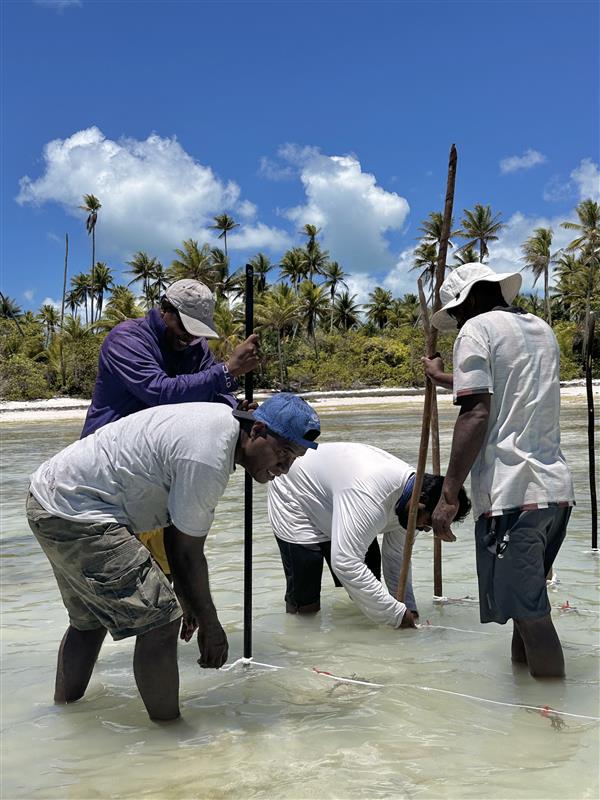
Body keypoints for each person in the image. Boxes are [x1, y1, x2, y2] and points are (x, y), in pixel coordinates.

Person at [26, 394, 321, 721]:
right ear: (257, 431)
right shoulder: (209, 456)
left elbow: (173, 527)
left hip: (50, 500)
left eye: (294, 459)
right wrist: (211, 625)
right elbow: (187, 552)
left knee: (90, 621)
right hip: (80, 511)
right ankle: (170, 738)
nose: (285, 468)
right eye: (283, 454)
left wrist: (186, 595)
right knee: (162, 620)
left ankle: (62, 717)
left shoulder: (218, 424)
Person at [423, 262, 575, 678]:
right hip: (554, 492)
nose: (455, 324)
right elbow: (506, 385)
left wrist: (449, 494)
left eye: (454, 314)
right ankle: (524, 704)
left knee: (531, 617)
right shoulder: (540, 328)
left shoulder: (476, 329)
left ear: (470, 300)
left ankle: (551, 721)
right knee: (523, 604)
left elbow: (476, 412)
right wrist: (442, 378)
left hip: (513, 493)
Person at [81, 278, 260, 571]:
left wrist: (236, 410)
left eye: (197, 331)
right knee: (119, 584)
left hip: (158, 478)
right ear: (165, 310)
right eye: (185, 328)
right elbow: (160, 393)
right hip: (111, 477)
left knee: (167, 580)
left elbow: (216, 395)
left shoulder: (196, 347)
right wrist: (227, 370)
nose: (190, 337)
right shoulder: (127, 339)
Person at [267, 442, 471, 628]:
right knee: (306, 600)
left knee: (368, 583)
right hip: (294, 491)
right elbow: (346, 563)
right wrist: (398, 617)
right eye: (429, 523)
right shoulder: (370, 496)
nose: (427, 529)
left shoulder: (411, 503)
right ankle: (302, 649)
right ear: (420, 501)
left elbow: (396, 557)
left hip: (337, 495)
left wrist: (408, 608)